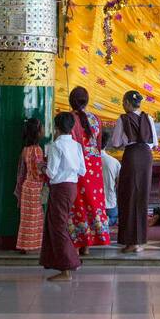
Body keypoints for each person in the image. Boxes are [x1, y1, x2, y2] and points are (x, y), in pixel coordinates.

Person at [110, 90, 159, 253]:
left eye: (124, 102)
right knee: (141, 196)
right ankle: (139, 241)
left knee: (128, 196)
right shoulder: (149, 118)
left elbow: (116, 142)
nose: (123, 105)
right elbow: (154, 143)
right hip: (146, 156)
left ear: (128, 103)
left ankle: (131, 242)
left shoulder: (123, 119)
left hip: (131, 156)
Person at [40, 112, 85, 281]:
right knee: (57, 224)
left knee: (58, 227)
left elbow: (51, 173)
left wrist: (41, 167)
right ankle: (58, 262)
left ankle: (68, 267)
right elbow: (82, 170)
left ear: (56, 128)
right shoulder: (76, 145)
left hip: (60, 188)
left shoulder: (56, 146)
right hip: (72, 187)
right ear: (72, 127)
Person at [68, 87, 110, 252]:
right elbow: (98, 146)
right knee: (94, 203)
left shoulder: (70, 119)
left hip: (77, 166)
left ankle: (79, 242)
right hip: (94, 167)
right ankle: (89, 243)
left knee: (78, 203)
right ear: (87, 101)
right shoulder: (96, 119)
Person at [14, 119, 45, 254]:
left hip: (26, 187)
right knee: (35, 219)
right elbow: (38, 171)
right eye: (42, 128)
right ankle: (33, 246)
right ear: (38, 133)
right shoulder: (37, 150)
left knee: (26, 219)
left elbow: (22, 171)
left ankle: (23, 245)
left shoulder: (25, 150)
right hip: (35, 188)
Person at [100, 128, 121, 227]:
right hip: (110, 204)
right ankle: (106, 221)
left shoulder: (87, 161)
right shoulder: (114, 162)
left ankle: (99, 222)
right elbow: (119, 185)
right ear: (107, 142)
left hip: (93, 204)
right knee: (113, 217)